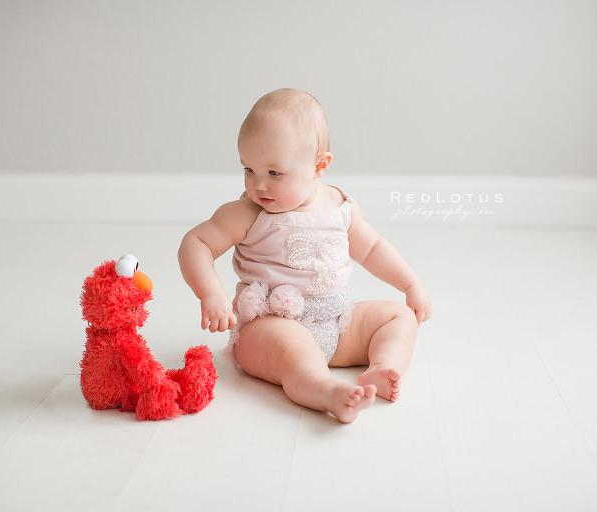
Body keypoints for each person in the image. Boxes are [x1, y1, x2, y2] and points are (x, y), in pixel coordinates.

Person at [179, 88, 431, 423]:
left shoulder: (340, 206)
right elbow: (195, 242)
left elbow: (372, 249)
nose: (258, 185)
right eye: (248, 169)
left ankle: (384, 368)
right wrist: (210, 293)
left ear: (319, 166)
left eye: (274, 173)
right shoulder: (247, 213)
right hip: (271, 327)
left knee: (399, 317)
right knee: (294, 353)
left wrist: (410, 282)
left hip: (337, 323)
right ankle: (327, 391)